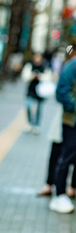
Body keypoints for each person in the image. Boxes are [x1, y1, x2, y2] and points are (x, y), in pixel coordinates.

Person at [50, 44, 76, 213]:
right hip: (72, 121)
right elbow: (61, 92)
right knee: (66, 155)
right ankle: (59, 195)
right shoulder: (72, 66)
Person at [38, 107, 76, 198]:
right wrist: (72, 105)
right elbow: (61, 94)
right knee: (57, 154)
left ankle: (72, 187)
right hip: (67, 120)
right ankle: (51, 185)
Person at [21, 53, 49, 135]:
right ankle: (29, 123)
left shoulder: (45, 66)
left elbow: (48, 77)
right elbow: (24, 76)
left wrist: (40, 77)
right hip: (31, 90)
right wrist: (32, 76)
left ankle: (37, 125)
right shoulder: (29, 65)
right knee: (28, 106)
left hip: (41, 91)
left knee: (39, 109)